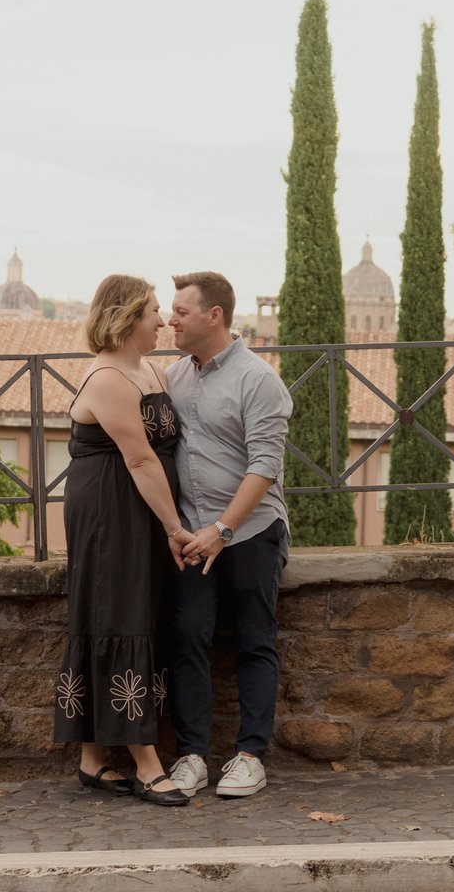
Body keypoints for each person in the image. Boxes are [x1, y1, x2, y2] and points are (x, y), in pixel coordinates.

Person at [53, 274, 194, 806]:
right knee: (119, 614)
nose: (162, 320)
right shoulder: (108, 378)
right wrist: (175, 528)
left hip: (139, 507)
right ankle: (146, 764)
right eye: (154, 310)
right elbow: (139, 459)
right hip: (110, 510)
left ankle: (92, 760)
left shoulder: (151, 369)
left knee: (123, 614)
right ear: (129, 317)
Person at [164, 271, 294, 799]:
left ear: (213, 315)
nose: (170, 320)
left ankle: (250, 756)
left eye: (181, 312)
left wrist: (223, 529)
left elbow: (265, 465)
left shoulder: (258, 379)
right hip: (192, 535)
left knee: (254, 639)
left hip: (252, 530)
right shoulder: (173, 377)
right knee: (186, 637)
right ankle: (191, 756)